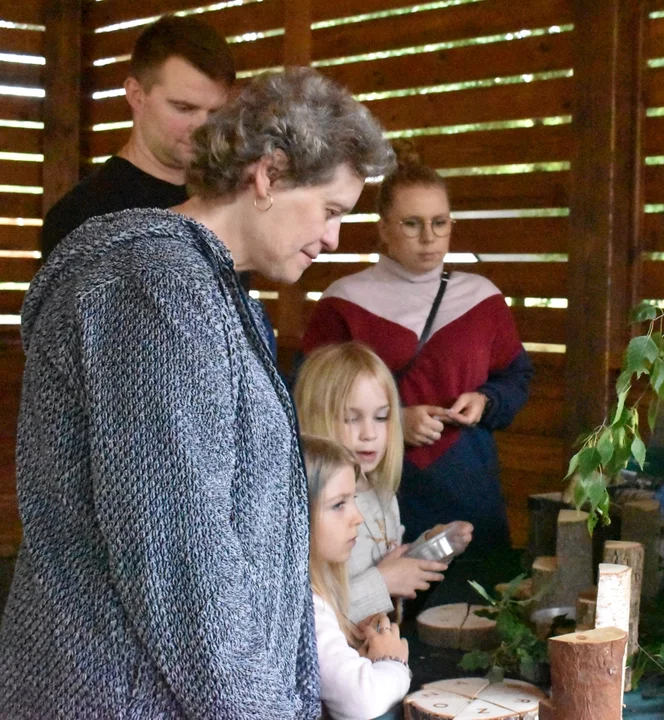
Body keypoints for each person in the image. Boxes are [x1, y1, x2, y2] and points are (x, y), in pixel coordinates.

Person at [0, 68, 394, 717]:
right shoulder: (157, 292)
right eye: (330, 211)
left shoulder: (201, 288)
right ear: (268, 173)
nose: (332, 239)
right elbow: (181, 567)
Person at [301, 144, 533, 554]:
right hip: (374, 495)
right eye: (411, 224)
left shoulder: (482, 300)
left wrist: (486, 399)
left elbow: (516, 376)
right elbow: (309, 398)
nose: (428, 237)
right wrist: (393, 424)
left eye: (439, 223)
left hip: (469, 489)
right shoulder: (344, 302)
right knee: (382, 609)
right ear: (384, 228)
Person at [294, 341, 473, 624]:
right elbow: (307, 621)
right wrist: (383, 582)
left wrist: (428, 549)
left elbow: (386, 562)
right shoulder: (309, 509)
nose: (369, 434)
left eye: (381, 417)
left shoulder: (381, 491)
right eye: (351, 419)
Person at [40, 15, 233, 261]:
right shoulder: (79, 216)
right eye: (184, 108)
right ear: (136, 95)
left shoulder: (224, 204)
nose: (204, 127)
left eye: (216, 112)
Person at [301, 435, 411, 720]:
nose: (357, 517)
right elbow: (361, 702)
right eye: (339, 505)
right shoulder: (305, 603)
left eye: (353, 500)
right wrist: (393, 662)